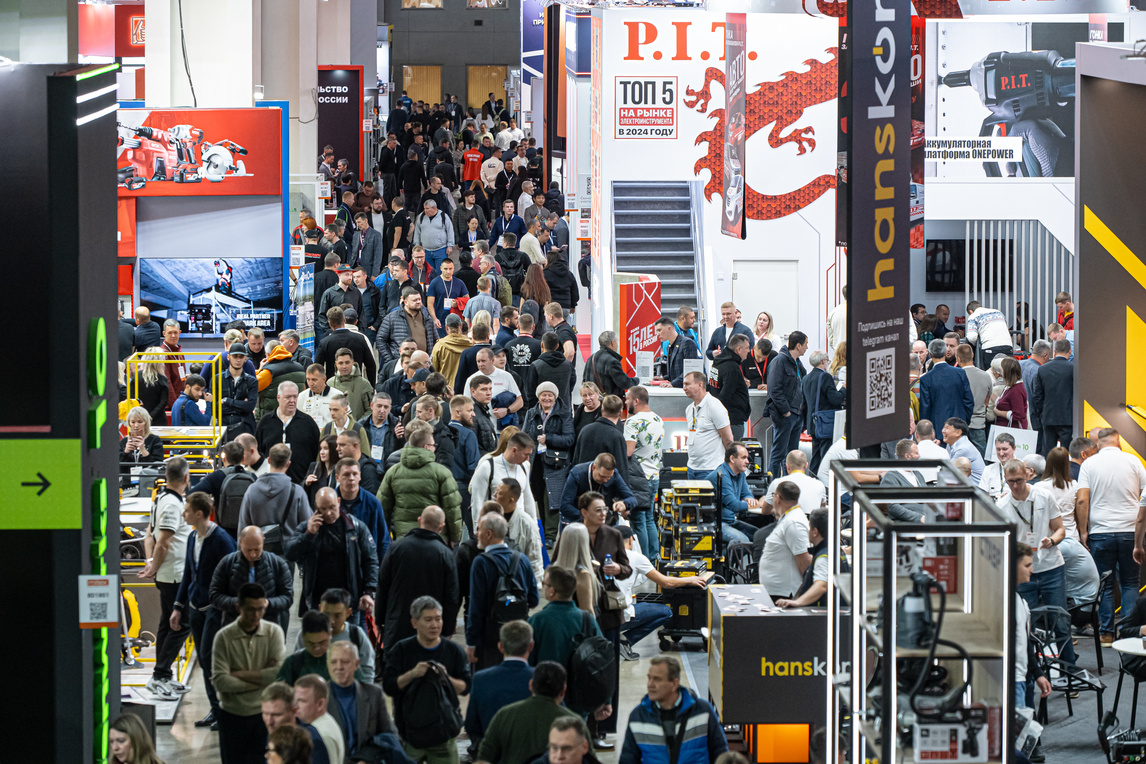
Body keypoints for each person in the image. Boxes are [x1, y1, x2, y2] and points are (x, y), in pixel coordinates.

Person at [996, 458, 1075, 666]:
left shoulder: (1044, 496)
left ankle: (1069, 670)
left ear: (1027, 476)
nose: (1015, 485)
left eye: (1019, 480)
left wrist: (1052, 540)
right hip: (1023, 572)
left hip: (1051, 567)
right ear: (1005, 479)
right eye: (1011, 481)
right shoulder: (1002, 505)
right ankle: (1031, 672)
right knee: (1025, 624)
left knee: (1060, 622)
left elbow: (1060, 529)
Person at [1075, 428, 1146, 644]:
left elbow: (1082, 499)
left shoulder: (1089, 464)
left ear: (1098, 444)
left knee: (1105, 584)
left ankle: (1106, 633)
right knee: (1130, 583)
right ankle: (1127, 632)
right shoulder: (1133, 461)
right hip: (1130, 530)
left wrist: (1083, 530)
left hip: (1100, 531)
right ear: (1118, 441)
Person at [170, 491, 235, 727]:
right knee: (204, 659)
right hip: (195, 607)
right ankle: (215, 709)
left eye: (186, 510)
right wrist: (178, 606)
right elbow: (189, 573)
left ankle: (224, 709)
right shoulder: (192, 537)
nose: (183, 514)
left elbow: (232, 574)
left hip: (215, 609)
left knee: (210, 658)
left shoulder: (222, 540)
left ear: (199, 514)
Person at [572, 492, 630, 747]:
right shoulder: (572, 535)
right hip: (580, 612)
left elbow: (627, 569)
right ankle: (583, 725)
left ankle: (602, 728)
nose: (604, 513)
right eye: (598, 510)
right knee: (582, 670)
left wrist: (618, 569)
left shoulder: (613, 535)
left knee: (606, 671)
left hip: (608, 614)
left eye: (605, 509)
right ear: (583, 512)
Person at [383, 596, 471, 764]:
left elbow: (466, 687)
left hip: (443, 736)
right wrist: (412, 674)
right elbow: (389, 686)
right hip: (410, 736)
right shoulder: (401, 650)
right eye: (428, 620)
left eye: (438, 619)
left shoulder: (453, 651)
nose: (435, 625)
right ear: (414, 623)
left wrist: (446, 678)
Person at [212, 582, 285, 764]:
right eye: (251, 610)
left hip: (264, 716)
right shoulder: (223, 637)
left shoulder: (273, 633)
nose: (256, 615)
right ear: (239, 608)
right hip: (231, 716)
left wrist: (238, 674)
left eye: (261, 609)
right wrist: (261, 679)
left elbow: (278, 675)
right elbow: (221, 681)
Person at [139, 456, 193, 701]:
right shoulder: (171, 504)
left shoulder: (161, 498)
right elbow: (162, 542)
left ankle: (163, 676)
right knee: (182, 624)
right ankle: (160, 675)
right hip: (174, 576)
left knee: (166, 624)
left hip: (171, 573)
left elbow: (149, 535)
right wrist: (153, 566)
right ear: (186, 477)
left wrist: (151, 563)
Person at [286, 487, 379, 618]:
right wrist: (308, 535)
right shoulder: (307, 528)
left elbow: (371, 560)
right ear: (316, 507)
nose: (328, 513)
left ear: (339, 502)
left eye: (332, 507)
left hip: (349, 602)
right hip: (317, 602)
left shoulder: (355, 527)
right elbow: (290, 554)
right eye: (323, 509)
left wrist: (369, 591)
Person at [377, 506, 460, 653]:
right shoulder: (445, 554)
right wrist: (446, 630)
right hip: (431, 632)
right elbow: (452, 597)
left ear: (419, 520)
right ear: (441, 527)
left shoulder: (396, 548)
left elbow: (383, 586)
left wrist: (380, 620)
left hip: (397, 627)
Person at [619, 656, 728, 764]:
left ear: (674, 684)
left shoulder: (703, 712)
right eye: (649, 678)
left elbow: (721, 754)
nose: (650, 684)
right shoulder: (638, 717)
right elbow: (627, 759)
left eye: (657, 679)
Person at [616, 526, 704, 657]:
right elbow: (665, 582)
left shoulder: (602, 556)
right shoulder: (635, 557)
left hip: (601, 618)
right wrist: (689, 580)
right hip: (620, 617)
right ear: (630, 540)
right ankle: (626, 640)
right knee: (666, 612)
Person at [467, 513, 540, 669]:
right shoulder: (522, 559)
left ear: (489, 533)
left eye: (479, 529)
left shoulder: (481, 562)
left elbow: (476, 607)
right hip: (519, 636)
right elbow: (534, 600)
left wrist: (472, 642)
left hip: (490, 638)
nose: (476, 533)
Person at [477, 661, 580, 764]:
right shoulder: (575, 722)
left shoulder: (504, 714)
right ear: (563, 690)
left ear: (531, 685)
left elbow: (484, 757)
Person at [378, 421, 465, 542]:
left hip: (404, 539)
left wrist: (385, 537)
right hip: (436, 539)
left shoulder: (393, 472)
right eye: (433, 445)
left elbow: (382, 507)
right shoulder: (442, 473)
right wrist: (455, 538)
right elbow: (452, 509)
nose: (435, 448)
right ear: (426, 447)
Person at [1038, 447, 1100, 606]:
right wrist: (1083, 531)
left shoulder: (1040, 487)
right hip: (1072, 538)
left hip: (1052, 539)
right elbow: (1080, 509)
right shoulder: (1074, 485)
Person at [466, 621, 539, 755]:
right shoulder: (539, 678)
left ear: (500, 646)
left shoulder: (481, 678)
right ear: (531, 646)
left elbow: (471, 724)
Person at [210, 525, 294, 634]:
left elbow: (287, 597)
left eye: (257, 549)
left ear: (263, 542)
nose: (253, 554)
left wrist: (268, 603)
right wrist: (238, 604)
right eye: (248, 550)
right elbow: (214, 595)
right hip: (235, 629)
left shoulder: (277, 564)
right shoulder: (227, 563)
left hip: (267, 630)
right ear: (240, 542)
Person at [521, 380, 575, 544]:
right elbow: (524, 435)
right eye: (544, 395)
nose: (547, 398)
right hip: (535, 461)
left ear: (555, 397)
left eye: (550, 395)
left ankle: (550, 536)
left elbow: (569, 439)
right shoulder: (531, 413)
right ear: (538, 396)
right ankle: (542, 534)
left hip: (556, 462)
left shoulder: (564, 413)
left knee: (552, 497)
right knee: (538, 495)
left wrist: (549, 439)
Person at [325, 641, 396, 761]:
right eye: (333, 662)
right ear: (327, 665)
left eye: (345, 662)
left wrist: (366, 758)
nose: (339, 667)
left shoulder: (374, 694)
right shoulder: (318, 697)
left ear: (356, 664)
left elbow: (389, 735)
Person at [529, 564, 603, 667]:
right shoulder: (587, 620)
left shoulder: (537, 621)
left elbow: (528, 657)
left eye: (544, 583)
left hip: (546, 676)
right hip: (579, 676)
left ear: (552, 591)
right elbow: (601, 651)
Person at [254, 381, 322, 485]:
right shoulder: (265, 422)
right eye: (288, 397)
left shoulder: (308, 423)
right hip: (271, 483)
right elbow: (259, 451)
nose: (292, 401)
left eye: (295, 397)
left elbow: (316, 453)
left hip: (301, 484)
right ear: (278, 398)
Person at [469, 430, 538, 525]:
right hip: (495, 526)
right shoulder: (487, 466)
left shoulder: (525, 466)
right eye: (526, 454)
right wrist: (478, 528)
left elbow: (528, 497)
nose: (528, 459)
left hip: (519, 525)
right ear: (514, 450)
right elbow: (477, 501)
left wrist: (534, 525)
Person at [766, 332, 808, 478]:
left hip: (797, 414)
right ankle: (774, 484)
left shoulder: (797, 363)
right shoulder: (779, 361)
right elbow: (774, 390)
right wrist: (786, 411)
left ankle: (790, 483)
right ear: (798, 345)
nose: (807, 348)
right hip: (785, 415)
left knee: (792, 454)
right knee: (778, 453)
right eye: (805, 344)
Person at [757, 481, 809, 598]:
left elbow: (803, 560)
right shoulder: (789, 517)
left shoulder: (794, 523)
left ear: (778, 498)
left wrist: (803, 595)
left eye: (773, 495)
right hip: (777, 591)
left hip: (785, 593)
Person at [707, 443, 766, 545]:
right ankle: (726, 556)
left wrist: (749, 498)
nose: (747, 461)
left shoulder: (740, 474)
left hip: (730, 521)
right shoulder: (721, 475)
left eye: (747, 458)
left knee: (760, 537)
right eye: (743, 458)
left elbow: (746, 493)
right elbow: (735, 505)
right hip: (717, 524)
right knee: (743, 542)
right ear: (732, 459)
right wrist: (760, 503)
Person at [559, 454, 638, 529]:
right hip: (578, 521)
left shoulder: (614, 475)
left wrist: (624, 503)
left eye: (609, 477)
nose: (605, 480)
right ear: (594, 467)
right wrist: (588, 517)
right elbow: (565, 505)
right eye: (602, 476)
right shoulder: (577, 473)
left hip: (604, 523)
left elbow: (632, 499)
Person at [261, 682, 331, 764]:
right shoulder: (275, 730)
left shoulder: (311, 740)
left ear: (294, 711)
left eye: (276, 715)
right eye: (265, 714)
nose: (269, 722)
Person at [775, 509, 832, 608]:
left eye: (809, 528)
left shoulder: (822, 558)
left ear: (815, 532)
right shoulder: (835, 551)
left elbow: (821, 586)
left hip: (821, 614)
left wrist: (797, 602)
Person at [801, 350, 845, 476]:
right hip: (825, 423)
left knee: (815, 455)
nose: (828, 363)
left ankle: (813, 478)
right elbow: (835, 399)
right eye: (827, 361)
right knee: (825, 455)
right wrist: (843, 389)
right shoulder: (825, 377)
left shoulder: (806, 378)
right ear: (822, 361)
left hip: (813, 423)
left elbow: (804, 403)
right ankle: (824, 481)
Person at [683, 371, 733, 480]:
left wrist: (729, 467)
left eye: (687, 384)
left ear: (700, 385)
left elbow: (728, 440)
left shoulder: (714, 406)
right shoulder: (689, 409)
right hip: (692, 467)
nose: (684, 388)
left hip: (711, 468)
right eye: (684, 384)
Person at [918, 339, 974, 435]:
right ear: (945, 352)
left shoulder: (926, 379)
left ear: (930, 355)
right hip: (959, 428)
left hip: (937, 430)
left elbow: (925, 409)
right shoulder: (960, 373)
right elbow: (969, 401)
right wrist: (964, 422)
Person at [376, 286, 440, 370]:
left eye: (419, 299)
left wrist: (430, 359)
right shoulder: (392, 317)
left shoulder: (427, 317)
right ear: (405, 302)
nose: (418, 302)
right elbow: (380, 339)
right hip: (402, 365)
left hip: (424, 365)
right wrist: (391, 360)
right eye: (414, 300)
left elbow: (436, 340)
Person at [333, 454, 387, 551]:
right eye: (346, 474)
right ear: (337, 477)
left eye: (355, 474)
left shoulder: (373, 503)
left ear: (360, 476)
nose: (351, 478)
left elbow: (383, 540)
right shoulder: (329, 503)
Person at [572, 394, 630, 483]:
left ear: (602, 410)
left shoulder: (585, 430)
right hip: (605, 486)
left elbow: (575, 461)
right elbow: (622, 469)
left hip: (583, 485)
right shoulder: (616, 436)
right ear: (620, 413)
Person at [1031, 338, 1074, 456]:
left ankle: (1048, 468)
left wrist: (1042, 413)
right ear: (1070, 351)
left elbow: (1037, 396)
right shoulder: (1073, 369)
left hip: (1048, 417)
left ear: (1054, 351)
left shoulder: (1042, 369)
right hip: (1067, 418)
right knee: (1066, 453)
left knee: (1048, 453)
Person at [317, 304, 379, 385]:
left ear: (329, 324)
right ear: (344, 320)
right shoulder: (360, 339)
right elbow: (371, 366)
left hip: (333, 387)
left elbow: (318, 367)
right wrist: (371, 387)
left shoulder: (325, 343)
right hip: (356, 386)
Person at [294, 675, 346, 764]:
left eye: (302, 701)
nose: (295, 706)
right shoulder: (325, 721)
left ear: (320, 704)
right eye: (295, 700)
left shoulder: (322, 735)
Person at [277, 610, 334, 684]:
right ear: (303, 637)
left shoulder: (341, 662)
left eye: (322, 643)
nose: (317, 648)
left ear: (330, 634)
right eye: (311, 643)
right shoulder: (293, 663)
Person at [217, 343, 259, 438]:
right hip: (222, 427)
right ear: (228, 357)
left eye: (241, 356)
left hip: (245, 428)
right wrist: (241, 405)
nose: (238, 359)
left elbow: (250, 406)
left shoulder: (252, 381)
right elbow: (215, 407)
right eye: (235, 356)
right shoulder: (217, 380)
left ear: (245, 358)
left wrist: (227, 401)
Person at [650, 317, 700, 389]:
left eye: (659, 330)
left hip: (686, 389)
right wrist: (663, 378)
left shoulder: (687, 343)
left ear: (669, 328)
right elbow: (674, 373)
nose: (658, 334)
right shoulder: (669, 347)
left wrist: (673, 383)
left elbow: (691, 371)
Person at [965, 300, 1013, 369]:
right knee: (1007, 372)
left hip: (990, 348)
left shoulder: (973, 316)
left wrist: (976, 345)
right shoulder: (998, 312)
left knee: (992, 373)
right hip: (1007, 346)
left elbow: (972, 337)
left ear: (970, 311)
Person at [942, 417, 985, 483]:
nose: (943, 431)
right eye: (944, 428)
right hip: (963, 483)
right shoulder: (950, 443)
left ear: (958, 432)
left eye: (947, 428)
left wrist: (938, 450)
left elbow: (948, 470)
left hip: (976, 486)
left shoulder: (963, 448)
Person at [993, 356, 1029, 431]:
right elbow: (1005, 402)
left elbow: (1018, 415)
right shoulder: (1010, 387)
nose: (1000, 371)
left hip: (1012, 431)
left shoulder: (1016, 390)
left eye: (1002, 368)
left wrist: (999, 413)